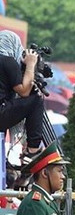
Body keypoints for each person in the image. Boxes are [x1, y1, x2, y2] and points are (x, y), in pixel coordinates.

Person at [0, 31, 47, 161]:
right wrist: (31, 64)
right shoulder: (8, 61)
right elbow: (24, 91)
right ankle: (32, 149)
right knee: (36, 100)